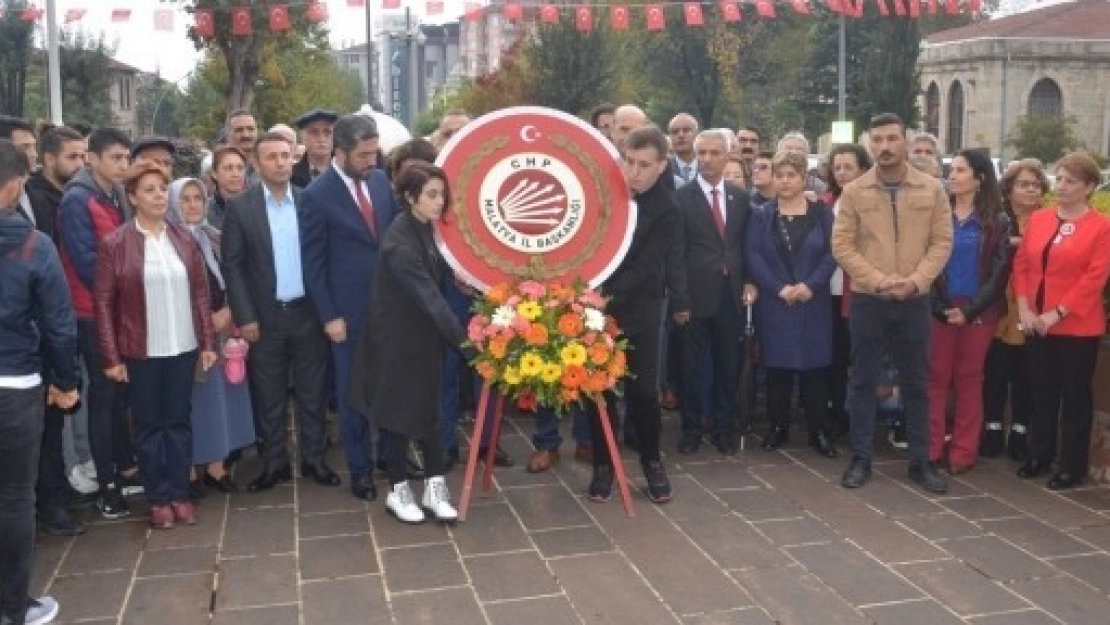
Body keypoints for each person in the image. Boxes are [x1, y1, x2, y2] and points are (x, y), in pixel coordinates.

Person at [831, 113, 953, 494]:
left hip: (915, 301)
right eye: (878, 140)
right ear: (871, 144)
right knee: (864, 381)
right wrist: (879, 280)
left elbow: (941, 242)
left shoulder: (931, 189)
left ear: (905, 141)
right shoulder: (855, 192)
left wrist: (916, 282)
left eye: (892, 139)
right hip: (871, 299)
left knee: (916, 382)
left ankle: (922, 461)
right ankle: (861, 458)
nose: (884, 147)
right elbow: (842, 245)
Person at [95, 162, 217, 528]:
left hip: (183, 346)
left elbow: (200, 293)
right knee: (148, 427)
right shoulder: (115, 243)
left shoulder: (183, 239)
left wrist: (207, 340)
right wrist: (111, 356)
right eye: (149, 190)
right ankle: (158, 498)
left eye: (163, 189)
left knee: (179, 422)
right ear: (132, 197)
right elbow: (103, 303)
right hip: (140, 350)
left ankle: (180, 493)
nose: (159, 196)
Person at [222, 132, 338, 493]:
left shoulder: (309, 202)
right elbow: (234, 267)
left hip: (307, 314)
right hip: (265, 317)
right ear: (257, 164)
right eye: (271, 157)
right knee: (268, 395)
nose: (280, 163)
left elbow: (322, 260)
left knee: (312, 393)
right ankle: (273, 464)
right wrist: (245, 316)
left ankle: (314, 459)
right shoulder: (242, 208)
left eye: (286, 156)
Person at [349, 163, 463, 524]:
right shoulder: (400, 242)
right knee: (397, 418)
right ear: (410, 197)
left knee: (429, 414)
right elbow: (429, 297)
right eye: (431, 195)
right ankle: (398, 492)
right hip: (395, 344)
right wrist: (469, 346)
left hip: (422, 340)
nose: (438, 201)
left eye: (442, 194)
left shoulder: (425, 228)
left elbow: (440, 275)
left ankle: (434, 486)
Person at [0, 139, 80, 625]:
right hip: (16, 385)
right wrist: (65, 380)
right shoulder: (32, 244)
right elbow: (59, 323)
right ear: (13, 185)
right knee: (13, 499)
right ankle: (14, 607)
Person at [301, 115, 399, 501]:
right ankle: (360, 470)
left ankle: (391, 458)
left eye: (375, 153)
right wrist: (329, 316)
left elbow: (391, 240)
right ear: (339, 152)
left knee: (391, 387)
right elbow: (314, 264)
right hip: (347, 315)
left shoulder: (379, 182)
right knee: (353, 394)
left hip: (388, 308)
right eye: (363, 155)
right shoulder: (317, 195)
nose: (372, 162)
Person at [587, 125, 677, 504]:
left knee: (642, 393)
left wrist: (604, 298)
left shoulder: (668, 208)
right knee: (599, 391)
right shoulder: (607, 195)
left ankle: (651, 461)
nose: (635, 171)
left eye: (644, 165)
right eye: (629, 162)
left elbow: (645, 267)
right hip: (596, 310)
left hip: (640, 309)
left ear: (662, 166)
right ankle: (604, 465)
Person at [1013, 152, 1110, 490]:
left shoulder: (1101, 226)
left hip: (1077, 326)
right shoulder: (1040, 219)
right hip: (1036, 322)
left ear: (1089, 188)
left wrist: (1057, 313)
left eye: (1071, 180)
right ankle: (1038, 455)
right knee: (1041, 392)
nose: (1062, 186)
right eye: (1060, 178)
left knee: (1075, 397)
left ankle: (1072, 465)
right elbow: (1023, 265)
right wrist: (1025, 308)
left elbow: (1094, 278)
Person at [57, 126, 138, 519]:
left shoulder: (116, 194)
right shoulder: (77, 200)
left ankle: (124, 467)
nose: (123, 165)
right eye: (115, 158)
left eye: (126, 158)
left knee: (120, 394)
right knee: (104, 398)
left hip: (118, 310)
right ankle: (107, 485)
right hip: (91, 313)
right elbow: (89, 264)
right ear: (93, 158)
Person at [745, 151, 839, 457]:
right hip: (776, 302)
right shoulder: (762, 214)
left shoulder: (823, 214)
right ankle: (777, 427)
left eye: (791, 175)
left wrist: (810, 285)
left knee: (815, 369)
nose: (785, 181)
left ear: (803, 178)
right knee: (778, 369)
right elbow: (754, 255)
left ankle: (818, 431)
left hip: (813, 302)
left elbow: (833, 253)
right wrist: (778, 288)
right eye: (780, 175)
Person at [166, 178, 255, 495]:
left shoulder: (214, 236)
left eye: (198, 198)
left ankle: (217, 467)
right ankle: (189, 470)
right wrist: (206, 320)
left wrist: (231, 311)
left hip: (223, 332)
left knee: (222, 401)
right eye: (185, 199)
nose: (192, 205)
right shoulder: (167, 242)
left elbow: (236, 275)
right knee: (192, 402)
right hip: (190, 334)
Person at [927, 150, 1012, 475]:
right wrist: (940, 307)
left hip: (979, 312)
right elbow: (928, 263)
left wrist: (971, 310)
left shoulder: (997, 221)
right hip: (942, 309)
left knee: (968, 380)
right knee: (936, 379)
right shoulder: (938, 214)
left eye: (960, 171)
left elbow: (999, 273)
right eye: (951, 170)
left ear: (979, 179)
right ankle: (932, 448)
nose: (952, 175)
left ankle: (963, 452)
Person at [671, 129, 755, 456]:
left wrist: (749, 280)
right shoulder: (681, 198)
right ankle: (691, 429)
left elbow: (745, 247)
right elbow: (675, 253)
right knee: (690, 368)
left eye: (713, 153)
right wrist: (679, 299)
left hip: (730, 295)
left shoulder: (739, 197)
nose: (706, 159)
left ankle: (724, 428)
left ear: (726, 155)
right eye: (701, 153)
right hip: (692, 296)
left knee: (728, 365)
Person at [981, 159, 1049, 461]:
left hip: (1032, 306)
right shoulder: (996, 218)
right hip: (997, 306)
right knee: (994, 371)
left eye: (1036, 185)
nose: (1031, 190)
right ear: (1008, 188)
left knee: (1027, 373)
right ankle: (992, 429)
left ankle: (1020, 431)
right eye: (1024, 184)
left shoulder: (1048, 219)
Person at [824, 144, 873, 439]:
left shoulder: (871, 203)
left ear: (863, 170)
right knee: (835, 356)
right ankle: (835, 413)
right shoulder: (825, 202)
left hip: (859, 291)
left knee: (860, 356)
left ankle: (858, 417)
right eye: (837, 167)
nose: (842, 173)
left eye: (848, 167)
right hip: (827, 290)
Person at [291, 109, 338, 188]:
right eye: (314, 133)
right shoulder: (291, 175)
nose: (321, 139)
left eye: (327, 132)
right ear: (303, 138)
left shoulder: (347, 172)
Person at [205, 145, 248, 229]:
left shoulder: (258, 207)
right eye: (228, 168)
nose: (235, 174)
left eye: (240, 168)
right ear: (214, 173)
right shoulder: (204, 212)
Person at [668, 113, 699, 185]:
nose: (680, 135)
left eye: (686, 130)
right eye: (675, 132)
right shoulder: (663, 170)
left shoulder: (708, 167)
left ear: (697, 135)